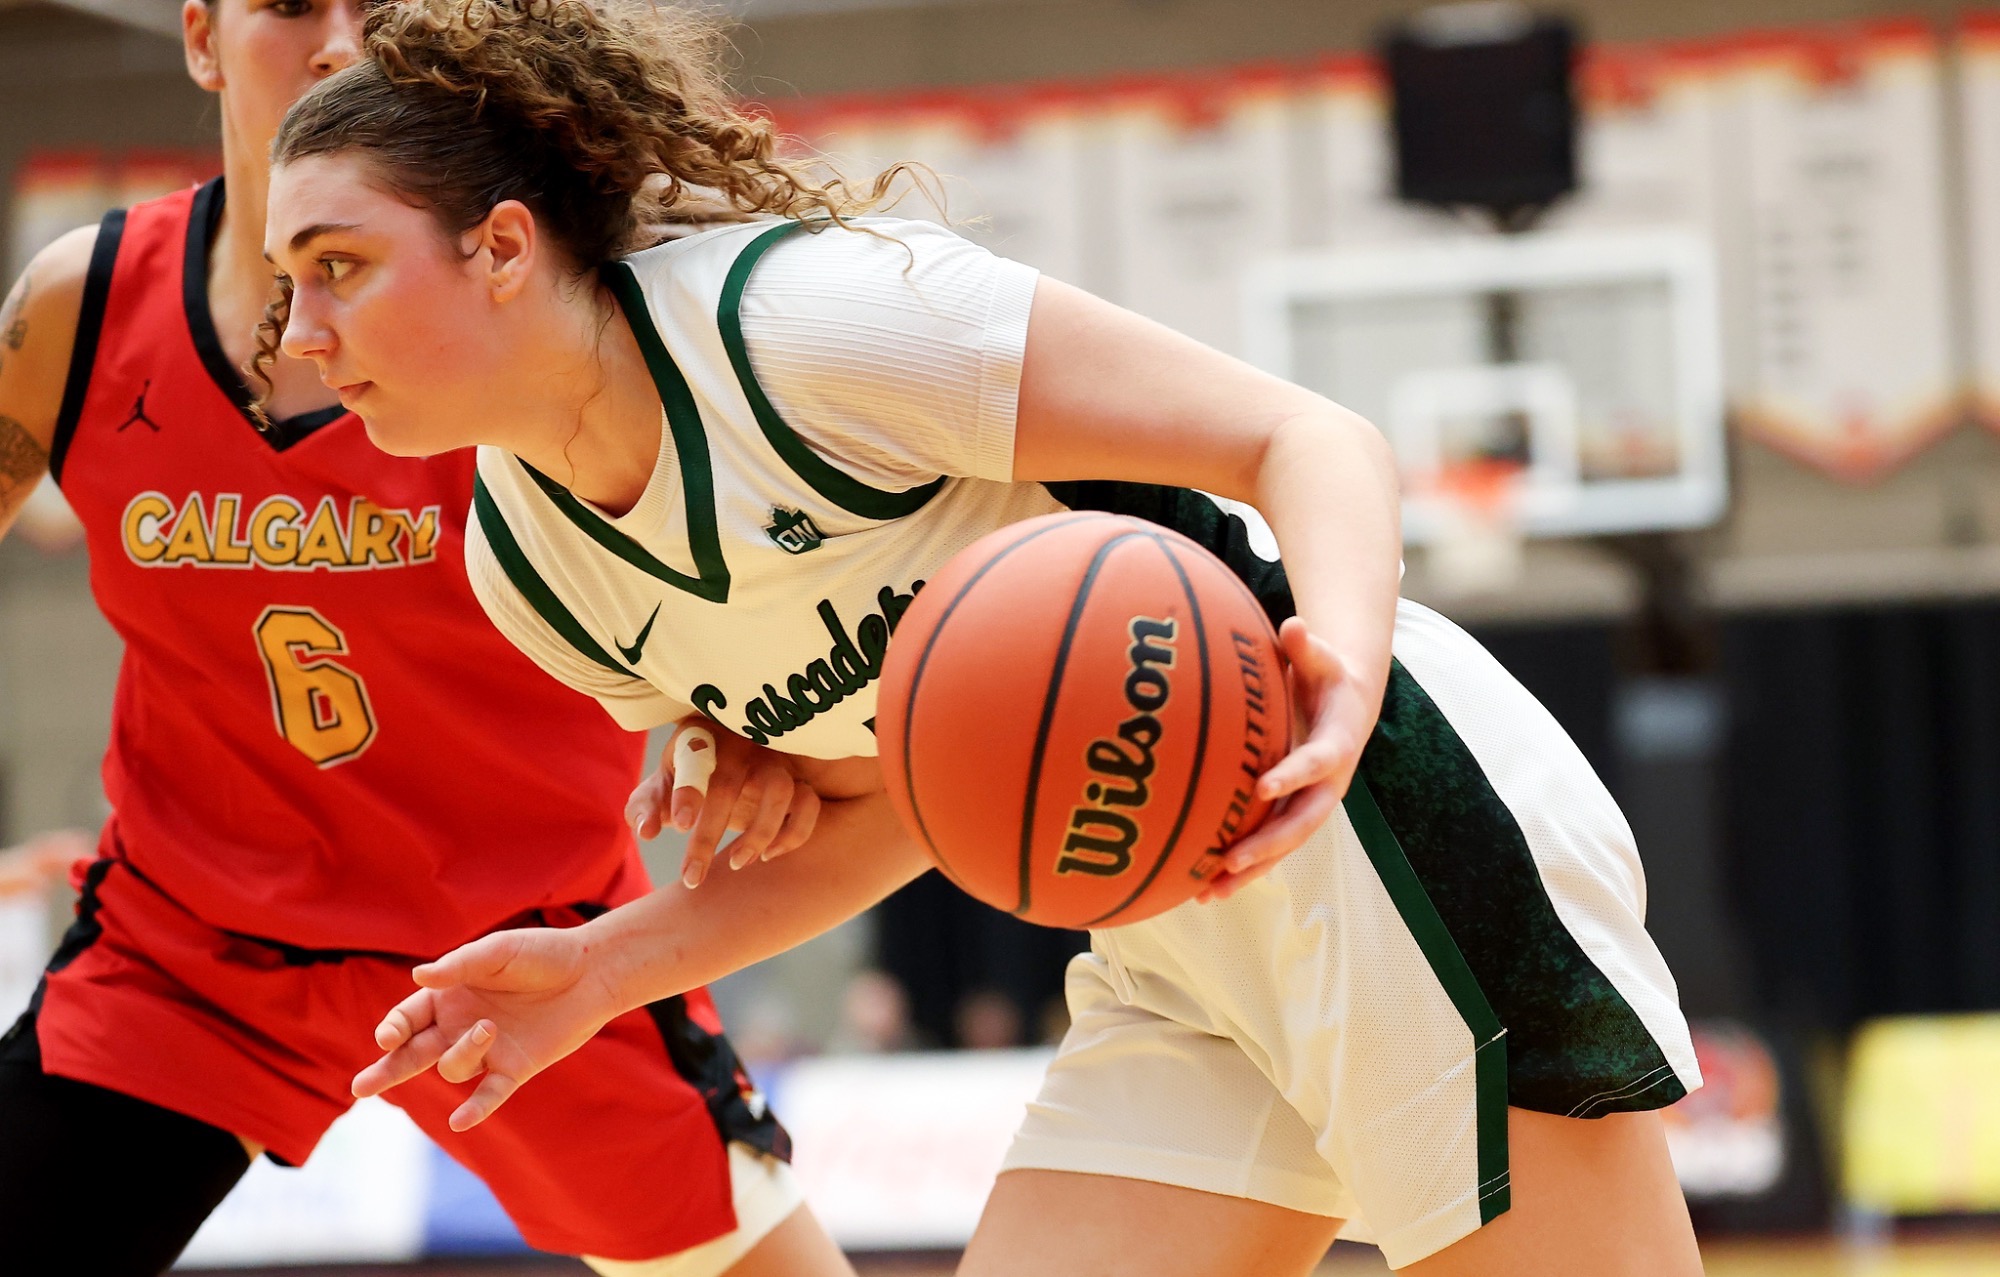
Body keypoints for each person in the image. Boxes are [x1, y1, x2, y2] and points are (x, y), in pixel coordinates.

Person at [265, 3, 1706, 1273]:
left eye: (339, 265)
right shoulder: (535, 575)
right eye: (287, 285)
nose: (302, 333)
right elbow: (911, 809)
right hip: (1159, 913)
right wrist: (601, 971)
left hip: (1373, 816)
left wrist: (1337, 669)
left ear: (502, 246)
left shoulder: (802, 330)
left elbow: (1302, 433)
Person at [0, 3, 851, 1275]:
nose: (340, 41)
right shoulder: (82, 309)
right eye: (290, 6)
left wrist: (727, 720)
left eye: (382, 8)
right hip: (192, 948)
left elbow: (718, 569)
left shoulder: (533, 305)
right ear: (200, 38)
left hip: (527, 954)